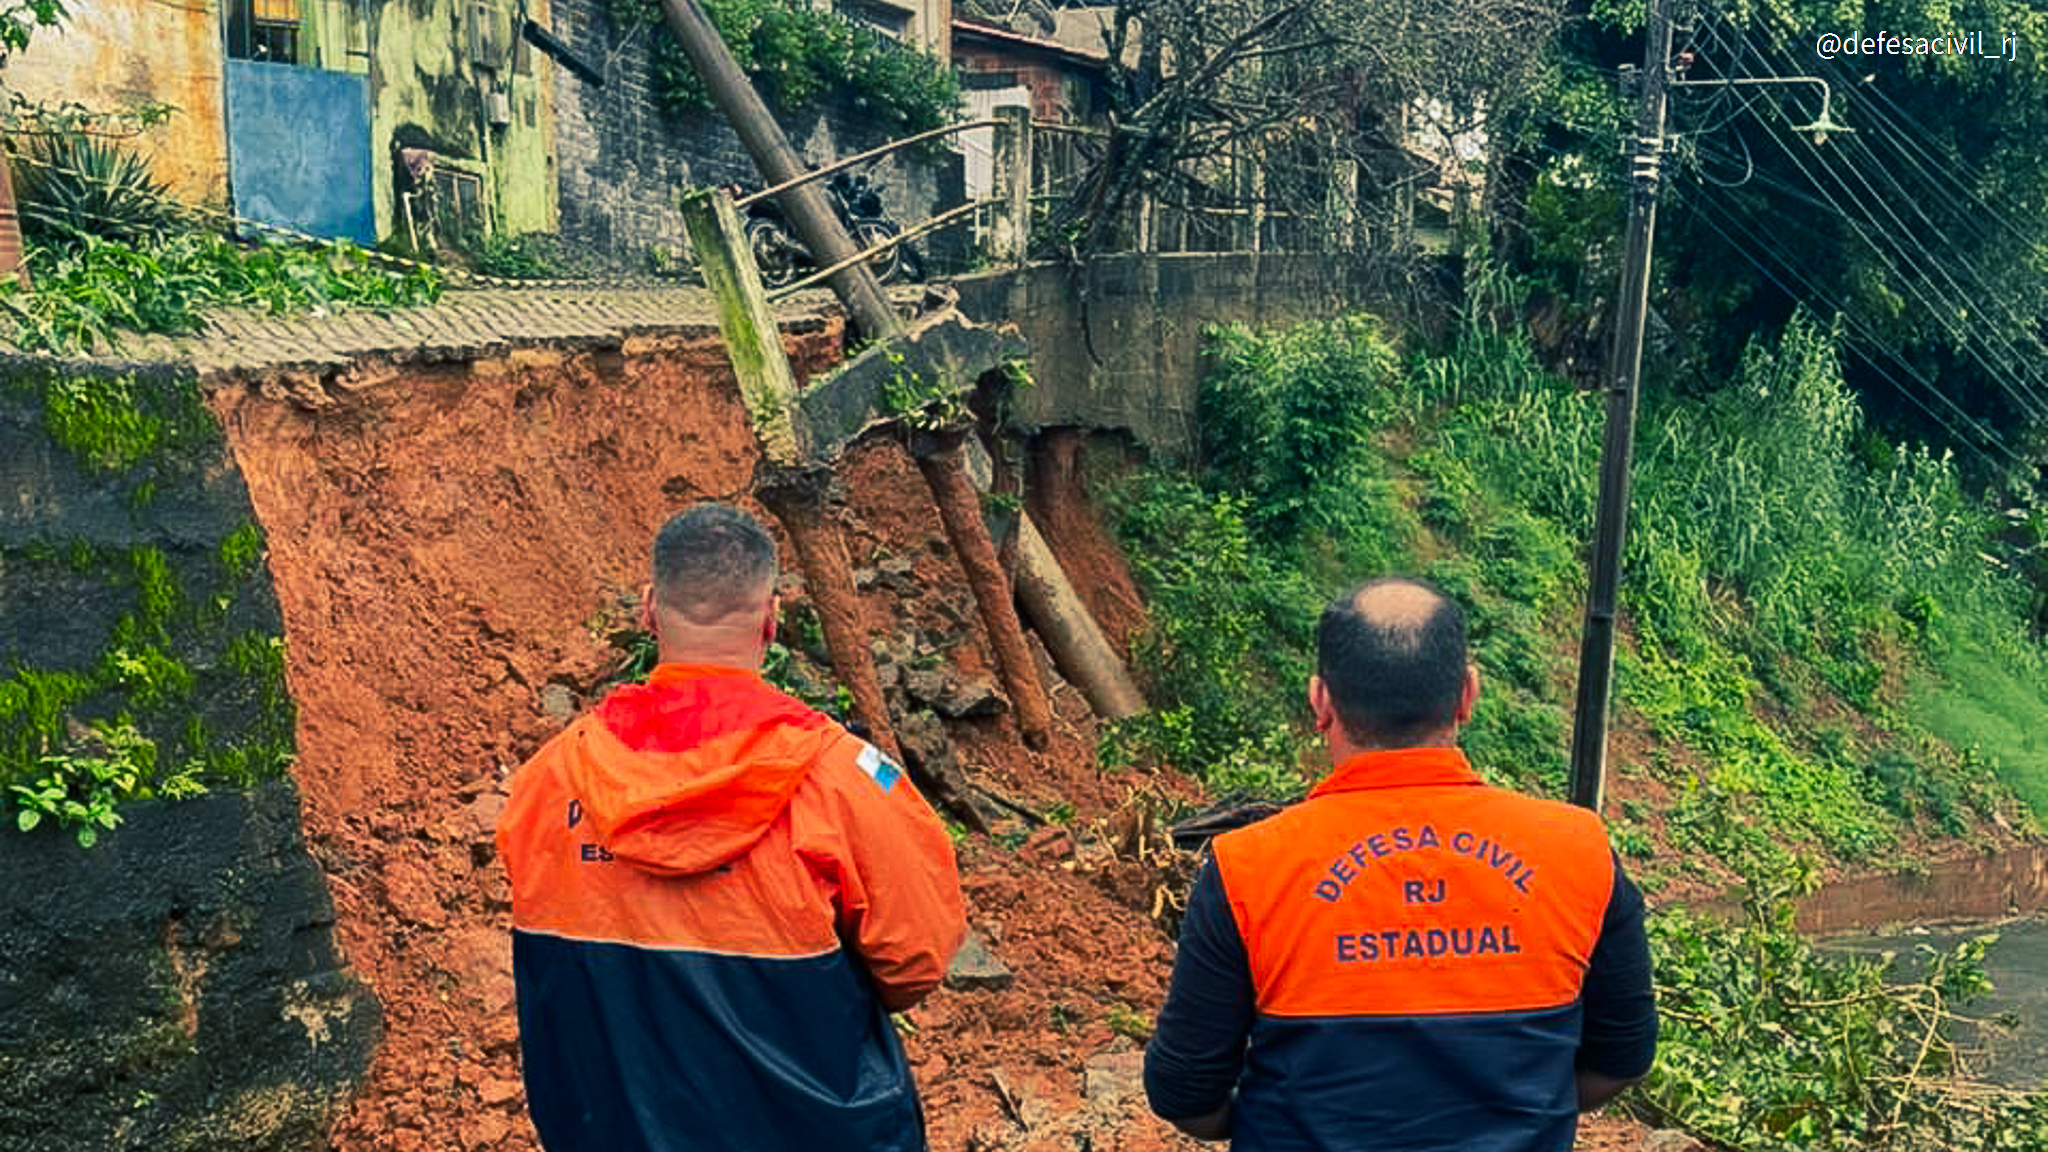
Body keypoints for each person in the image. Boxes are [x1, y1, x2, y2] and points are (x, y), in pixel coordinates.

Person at [496, 502, 967, 1152]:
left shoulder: (548, 781)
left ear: (649, 610)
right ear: (772, 618)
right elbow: (915, 961)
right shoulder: (843, 779)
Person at [1143, 577, 1657, 1150]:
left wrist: (1275, 1123)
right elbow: (1623, 1057)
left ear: (1321, 702)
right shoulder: (1579, 850)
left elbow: (1185, 1093)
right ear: (1467, 695)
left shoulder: (1246, 867)